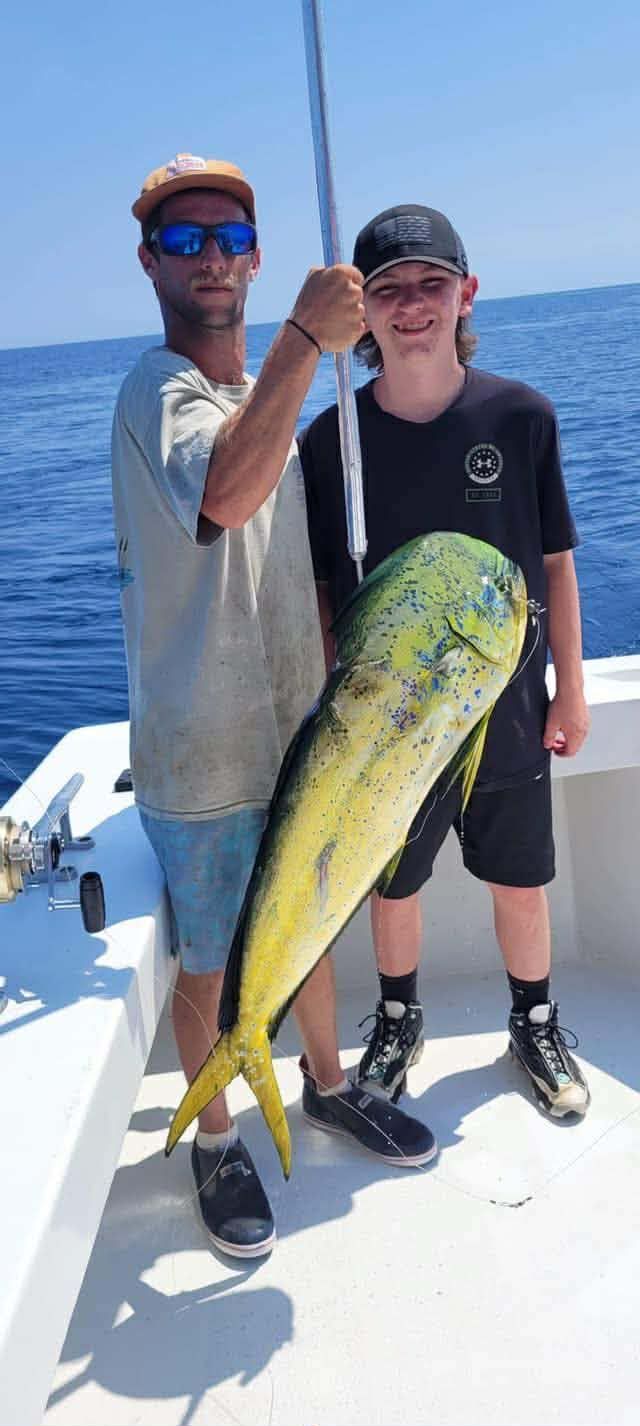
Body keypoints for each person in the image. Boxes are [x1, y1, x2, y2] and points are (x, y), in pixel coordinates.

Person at [111, 159, 437, 1260]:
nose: (211, 257)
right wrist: (306, 337)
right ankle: (213, 1137)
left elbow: (285, 560)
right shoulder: (156, 392)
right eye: (185, 239)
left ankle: (327, 1084)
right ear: (151, 260)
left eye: (228, 236)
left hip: (298, 730)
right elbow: (223, 495)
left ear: (251, 253)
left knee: (301, 931)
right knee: (210, 963)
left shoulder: (263, 395)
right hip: (201, 759)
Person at [299, 203, 591, 1122]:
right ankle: (397, 1016)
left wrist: (570, 689)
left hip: (505, 708)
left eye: (431, 284)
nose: (412, 305)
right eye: (388, 290)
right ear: (363, 314)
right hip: (391, 727)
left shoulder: (522, 415)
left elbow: (555, 561)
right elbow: (318, 592)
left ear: (466, 292)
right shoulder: (328, 442)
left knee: (522, 880)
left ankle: (534, 1021)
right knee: (394, 883)